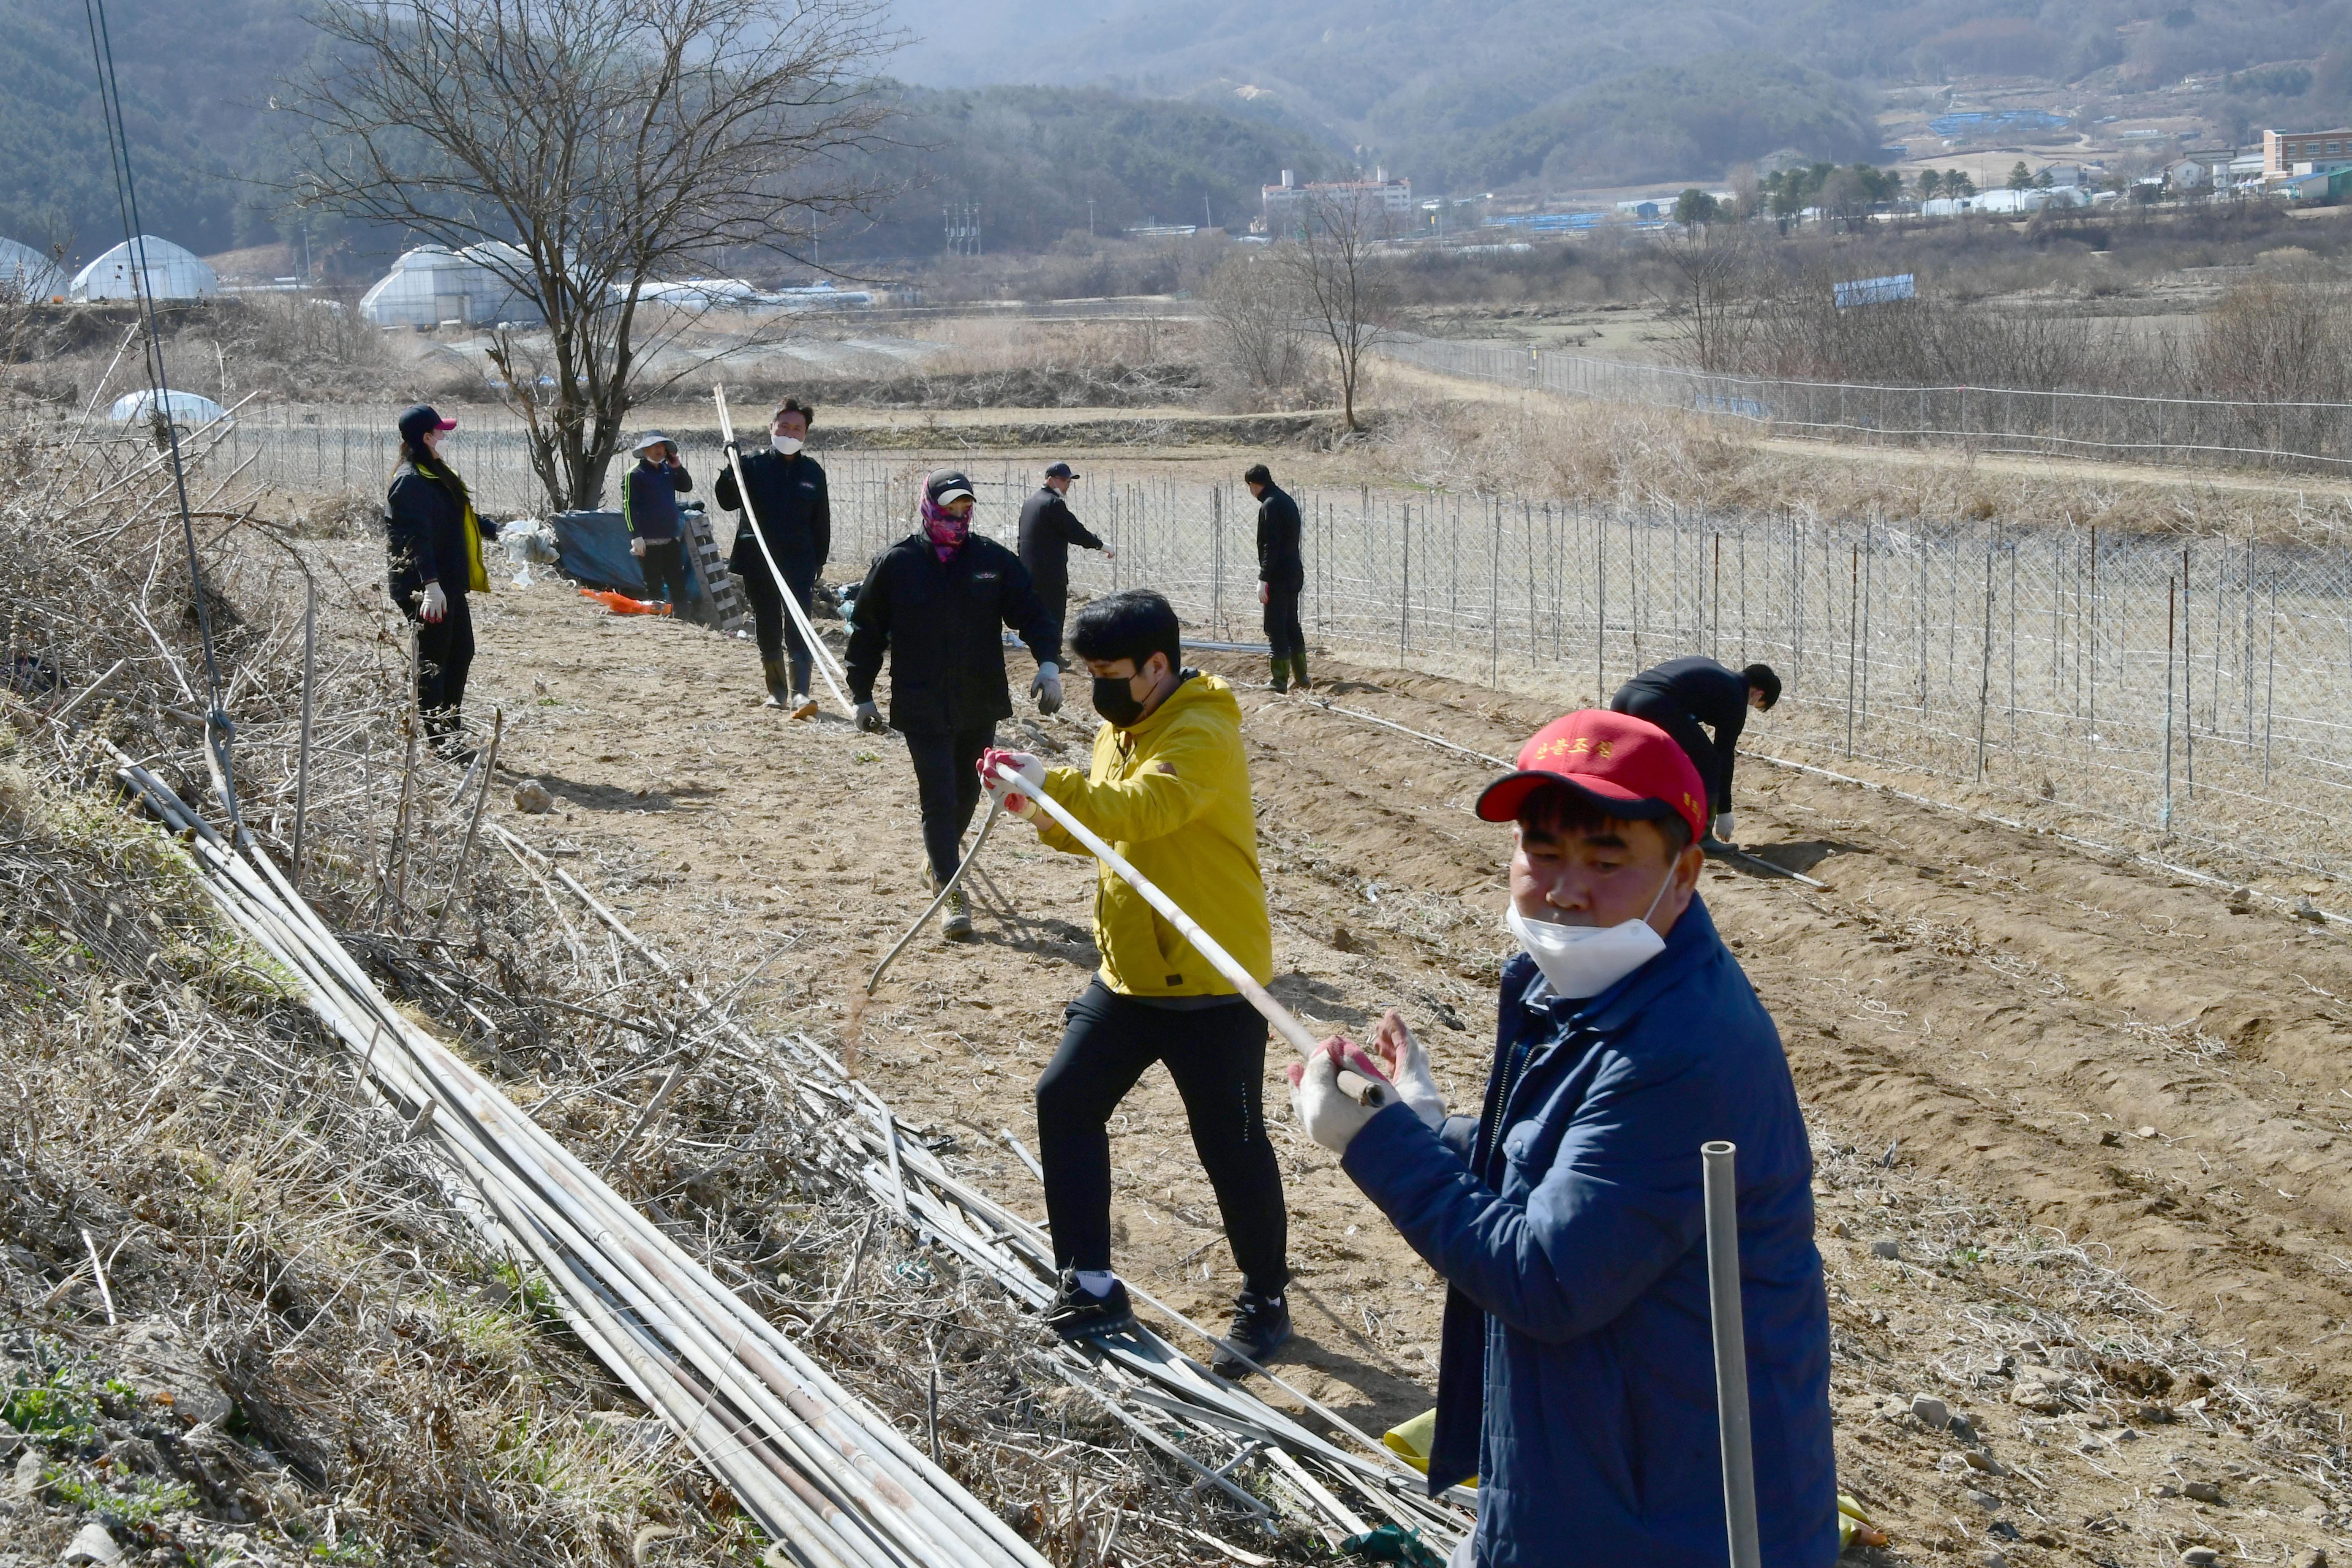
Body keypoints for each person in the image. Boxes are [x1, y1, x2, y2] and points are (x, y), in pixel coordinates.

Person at [1288, 708, 1837, 1568]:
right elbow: (1564, 1169)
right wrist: (1430, 1126)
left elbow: (1547, 1276)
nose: (1566, 888)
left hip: (1669, 1522)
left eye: (1607, 857)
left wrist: (1373, 1145)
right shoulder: (1588, 988)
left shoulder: (1685, 1046)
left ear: (1685, 873)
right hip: (1597, 1473)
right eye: (1543, 851)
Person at [976, 590, 1291, 1373]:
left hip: (1214, 982)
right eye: (1089, 673)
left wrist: (1059, 788)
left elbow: (1147, 809)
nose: (1098, 688)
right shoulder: (1118, 727)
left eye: (1109, 672)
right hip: (1128, 974)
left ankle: (1266, 1297)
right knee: (1065, 1098)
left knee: (1231, 1143)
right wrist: (1036, 807)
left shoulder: (1204, 730)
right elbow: (1102, 831)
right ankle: (1089, 1280)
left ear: (1158, 665)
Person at [845, 469, 1062, 940]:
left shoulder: (991, 561)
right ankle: (951, 889)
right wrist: (861, 693)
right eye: (950, 507)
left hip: (978, 699)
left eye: (966, 507)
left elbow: (1032, 611)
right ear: (930, 506)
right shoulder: (898, 563)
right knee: (939, 797)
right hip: (921, 701)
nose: (959, 516)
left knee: (966, 793)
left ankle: (939, 860)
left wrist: (1048, 662)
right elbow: (866, 631)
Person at [715, 398, 830, 717]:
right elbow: (726, 501)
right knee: (767, 623)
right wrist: (730, 466)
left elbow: (821, 520)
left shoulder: (812, 473)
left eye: (798, 428)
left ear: (805, 433)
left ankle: (800, 692)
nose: (790, 432)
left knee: (799, 624)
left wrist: (819, 559)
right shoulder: (751, 467)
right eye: (785, 426)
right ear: (772, 428)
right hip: (759, 559)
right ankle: (777, 692)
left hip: (799, 560)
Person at [384, 403, 488, 749]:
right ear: (427, 437)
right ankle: (440, 741)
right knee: (435, 662)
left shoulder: (436, 474)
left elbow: (464, 517)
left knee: (461, 653)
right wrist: (431, 586)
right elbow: (413, 538)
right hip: (425, 588)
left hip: (448, 583)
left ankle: (450, 727)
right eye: (441, 432)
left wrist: (510, 533)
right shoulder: (410, 482)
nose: (446, 436)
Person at [1607, 656, 1780, 845]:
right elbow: (1724, 755)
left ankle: (1616, 814)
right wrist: (1724, 810)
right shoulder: (1735, 696)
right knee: (1709, 762)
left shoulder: (1714, 673)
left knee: (1643, 761)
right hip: (1654, 705)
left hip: (1623, 697)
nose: (1749, 706)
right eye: (1755, 705)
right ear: (1758, 694)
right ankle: (1703, 836)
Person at [1017, 461, 1114, 650]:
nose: (1068, 485)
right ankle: (1053, 655)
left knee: (1036, 615)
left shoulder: (1031, 502)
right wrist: (1101, 545)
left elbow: (1021, 539)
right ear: (1052, 481)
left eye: (1069, 481)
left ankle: (1039, 648)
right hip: (1051, 574)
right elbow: (1075, 531)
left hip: (1029, 572)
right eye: (1065, 481)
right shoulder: (1053, 504)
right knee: (1053, 616)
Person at [1245, 463, 1308, 693]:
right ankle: (1302, 676)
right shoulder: (1287, 501)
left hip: (1278, 576)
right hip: (1294, 572)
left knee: (1275, 627)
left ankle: (1278, 681)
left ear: (1253, 485)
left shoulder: (1270, 506)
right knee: (1292, 623)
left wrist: (1264, 578)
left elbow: (1270, 547)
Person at [623, 433, 694, 613]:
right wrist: (636, 536)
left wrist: (678, 467)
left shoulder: (667, 471)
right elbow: (629, 506)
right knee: (654, 584)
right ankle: (658, 621)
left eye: (662, 447)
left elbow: (686, 486)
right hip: (648, 541)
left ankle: (682, 620)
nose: (658, 451)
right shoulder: (635, 474)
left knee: (677, 582)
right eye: (654, 447)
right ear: (644, 450)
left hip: (670, 539)